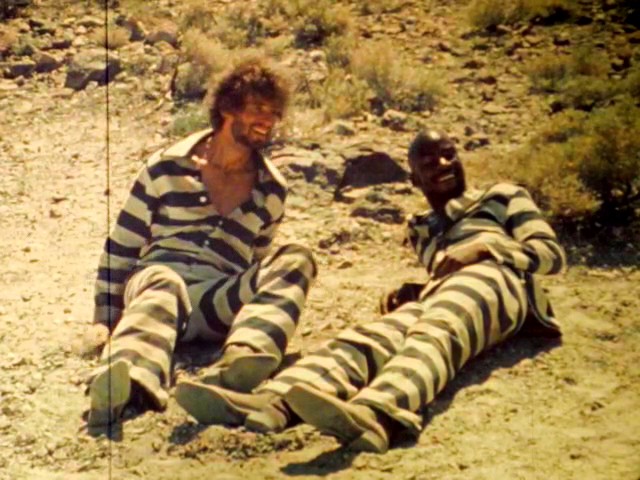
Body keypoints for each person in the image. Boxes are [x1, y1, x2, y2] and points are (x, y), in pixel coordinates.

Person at [174, 129, 566, 453]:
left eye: (449, 154)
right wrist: (417, 289)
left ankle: (378, 412)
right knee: (367, 339)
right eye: (430, 162)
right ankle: (274, 402)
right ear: (415, 180)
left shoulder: (502, 195)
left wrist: (484, 249)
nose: (444, 164)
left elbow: (551, 255)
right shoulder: (422, 228)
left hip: (503, 281)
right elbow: (451, 280)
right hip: (448, 295)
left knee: (436, 331)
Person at [83, 57, 317, 428]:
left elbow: (256, 259)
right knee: (164, 282)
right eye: (258, 108)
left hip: (215, 301)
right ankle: (127, 383)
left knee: (296, 258)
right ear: (227, 107)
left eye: (274, 112)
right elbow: (123, 246)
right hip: (155, 288)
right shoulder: (165, 167)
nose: (268, 120)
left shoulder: (272, 189)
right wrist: (104, 319)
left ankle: (242, 362)